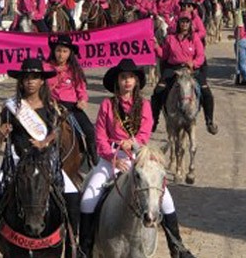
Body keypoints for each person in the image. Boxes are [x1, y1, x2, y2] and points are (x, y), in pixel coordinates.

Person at [78, 59, 196, 258]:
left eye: (130, 77)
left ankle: (177, 246)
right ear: (117, 81)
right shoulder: (107, 105)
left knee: (166, 199)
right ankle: (85, 248)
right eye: (123, 77)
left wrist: (131, 144)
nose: (127, 81)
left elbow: (143, 135)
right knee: (88, 199)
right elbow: (100, 137)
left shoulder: (145, 106)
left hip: (137, 159)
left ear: (136, 82)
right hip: (110, 161)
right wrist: (113, 157)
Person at [0, 58, 79, 258]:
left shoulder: (51, 106)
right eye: (26, 78)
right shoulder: (11, 107)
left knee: (72, 190)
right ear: (20, 82)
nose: (30, 81)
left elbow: (56, 130)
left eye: (35, 77)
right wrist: (1, 134)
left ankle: (74, 244)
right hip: (17, 157)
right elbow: (2, 134)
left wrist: (45, 142)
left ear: (41, 81)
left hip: (45, 158)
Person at [151, 14, 218, 135]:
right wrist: (156, 46)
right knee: (158, 91)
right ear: (178, 24)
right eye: (182, 22)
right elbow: (164, 55)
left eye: (187, 22)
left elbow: (201, 56)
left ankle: (209, 121)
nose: (184, 24)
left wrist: (194, 63)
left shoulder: (195, 38)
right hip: (173, 69)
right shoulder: (170, 38)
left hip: (191, 69)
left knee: (206, 91)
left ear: (190, 24)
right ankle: (154, 120)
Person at [46, 34, 97, 165]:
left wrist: (82, 100)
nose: (61, 54)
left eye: (65, 51)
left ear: (70, 53)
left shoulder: (74, 70)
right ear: (53, 51)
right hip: (50, 105)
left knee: (90, 131)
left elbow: (81, 89)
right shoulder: (45, 68)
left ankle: (93, 159)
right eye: (58, 50)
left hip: (71, 106)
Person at [234, 15, 246, 86]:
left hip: (242, 42)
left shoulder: (240, 24)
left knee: (242, 62)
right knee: (241, 61)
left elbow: (241, 35)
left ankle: (244, 79)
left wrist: (235, 34)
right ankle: (238, 76)